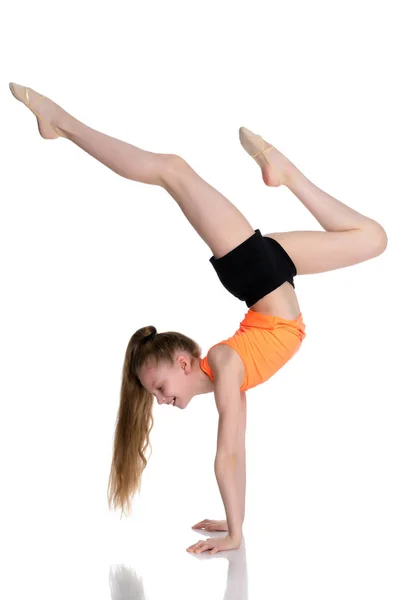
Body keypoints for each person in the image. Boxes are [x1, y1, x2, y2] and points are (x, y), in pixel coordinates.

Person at [9, 83, 388, 554]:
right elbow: (236, 453)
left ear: (185, 364)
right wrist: (234, 525)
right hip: (273, 278)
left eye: (160, 388)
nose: (162, 401)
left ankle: (59, 121)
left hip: (258, 276)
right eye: (156, 395)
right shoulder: (228, 370)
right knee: (373, 239)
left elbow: (227, 452)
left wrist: (234, 533)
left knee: (172, 170)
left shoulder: (225, 362)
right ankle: (284, 174)